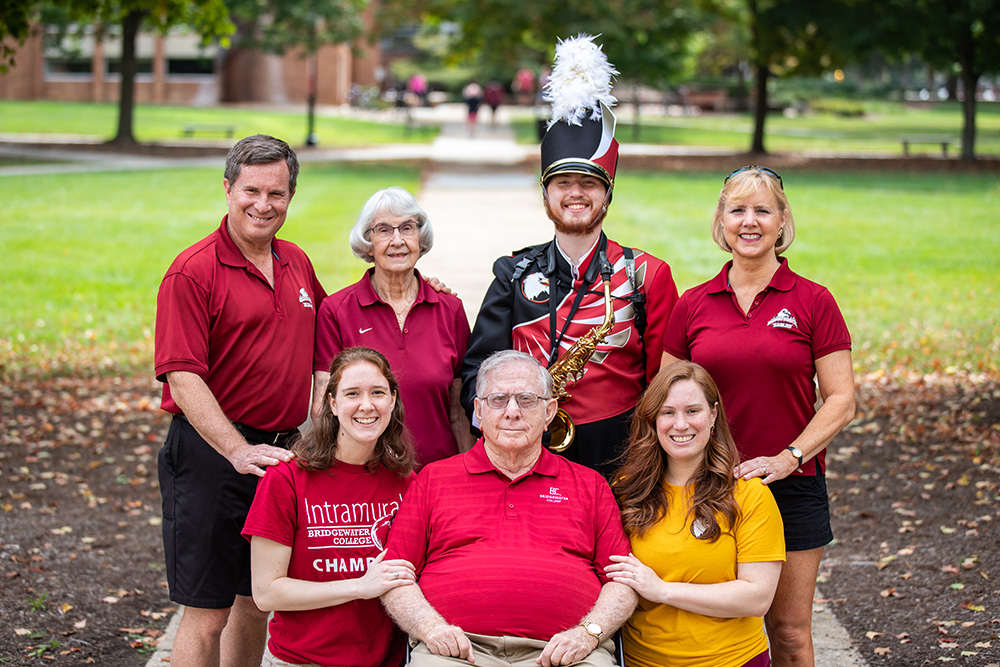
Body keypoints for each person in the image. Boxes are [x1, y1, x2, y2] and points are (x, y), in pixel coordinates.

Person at [661, 166, 856, 667]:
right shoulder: (692, 304)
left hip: (791, 486)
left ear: (782, 220)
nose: (750, 222)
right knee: (709, 622)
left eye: (762, 210)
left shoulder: (813, 299)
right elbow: (665, 398)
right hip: (705, 486)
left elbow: (841, 399)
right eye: (737, 210)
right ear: (721, 221)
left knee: (788, 633)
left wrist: (789, 458)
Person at [461, 35, 678, 478]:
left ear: (607, 194)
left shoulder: (647, 275)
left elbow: (666, 382)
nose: (575, 193)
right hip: (527, 455)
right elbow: (477, 372)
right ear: (545, 194)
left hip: (622, 457)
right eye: (562, 183)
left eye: (589, 183)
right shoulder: (513, 273)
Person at [155, 134, 327, 667]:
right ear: (228, 189)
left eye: (277, 193)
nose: (263, 205)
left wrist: (314, 426)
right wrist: (235, 450)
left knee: (256, 603)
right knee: (207, 614)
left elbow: (329, 338)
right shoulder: (193, 271)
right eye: (251, 190)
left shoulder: (296, 261)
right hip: (211, 455)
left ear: (290, 197)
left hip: (278, 455)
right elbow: (182, 376)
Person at [381, 350, 638, 667]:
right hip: (457, 652)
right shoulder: (433, 480)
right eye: (498, 399)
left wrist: (588, 634)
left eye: (527, 400)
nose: (512, 412)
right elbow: (394, 576)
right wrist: (431, 629)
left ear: (549, 412)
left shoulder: (591, 485)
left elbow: (622, 581)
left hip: (567, 652)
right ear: (478, 410)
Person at [243, 347, 416, 667]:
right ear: (333, 403)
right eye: (352, 393)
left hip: (384, 660)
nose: (367, 405)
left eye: (378, 392)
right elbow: (266, 592)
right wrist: (360, 586)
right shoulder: (286, 480)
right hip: (301, 660)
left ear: (392, 400)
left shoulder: (407, 484)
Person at [607, 361, 785, 667]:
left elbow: (758, 597)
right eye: (668, 412)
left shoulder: (748, 494)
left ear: (713, 414)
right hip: (644, 661)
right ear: (653, 419)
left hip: (732, 660)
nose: (680, 424)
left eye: (692, 411)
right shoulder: (626, 491)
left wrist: (662, 590)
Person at [313, 187, 473, 468]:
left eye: (407, 228)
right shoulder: (337, 311)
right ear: (367, 242)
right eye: (384, 230)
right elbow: (323, 411)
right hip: (369, 476)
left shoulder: (450, 309)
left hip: (438, 473)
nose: (397, 240)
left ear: (419, 239)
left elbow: (459, 411)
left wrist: (466, 474)